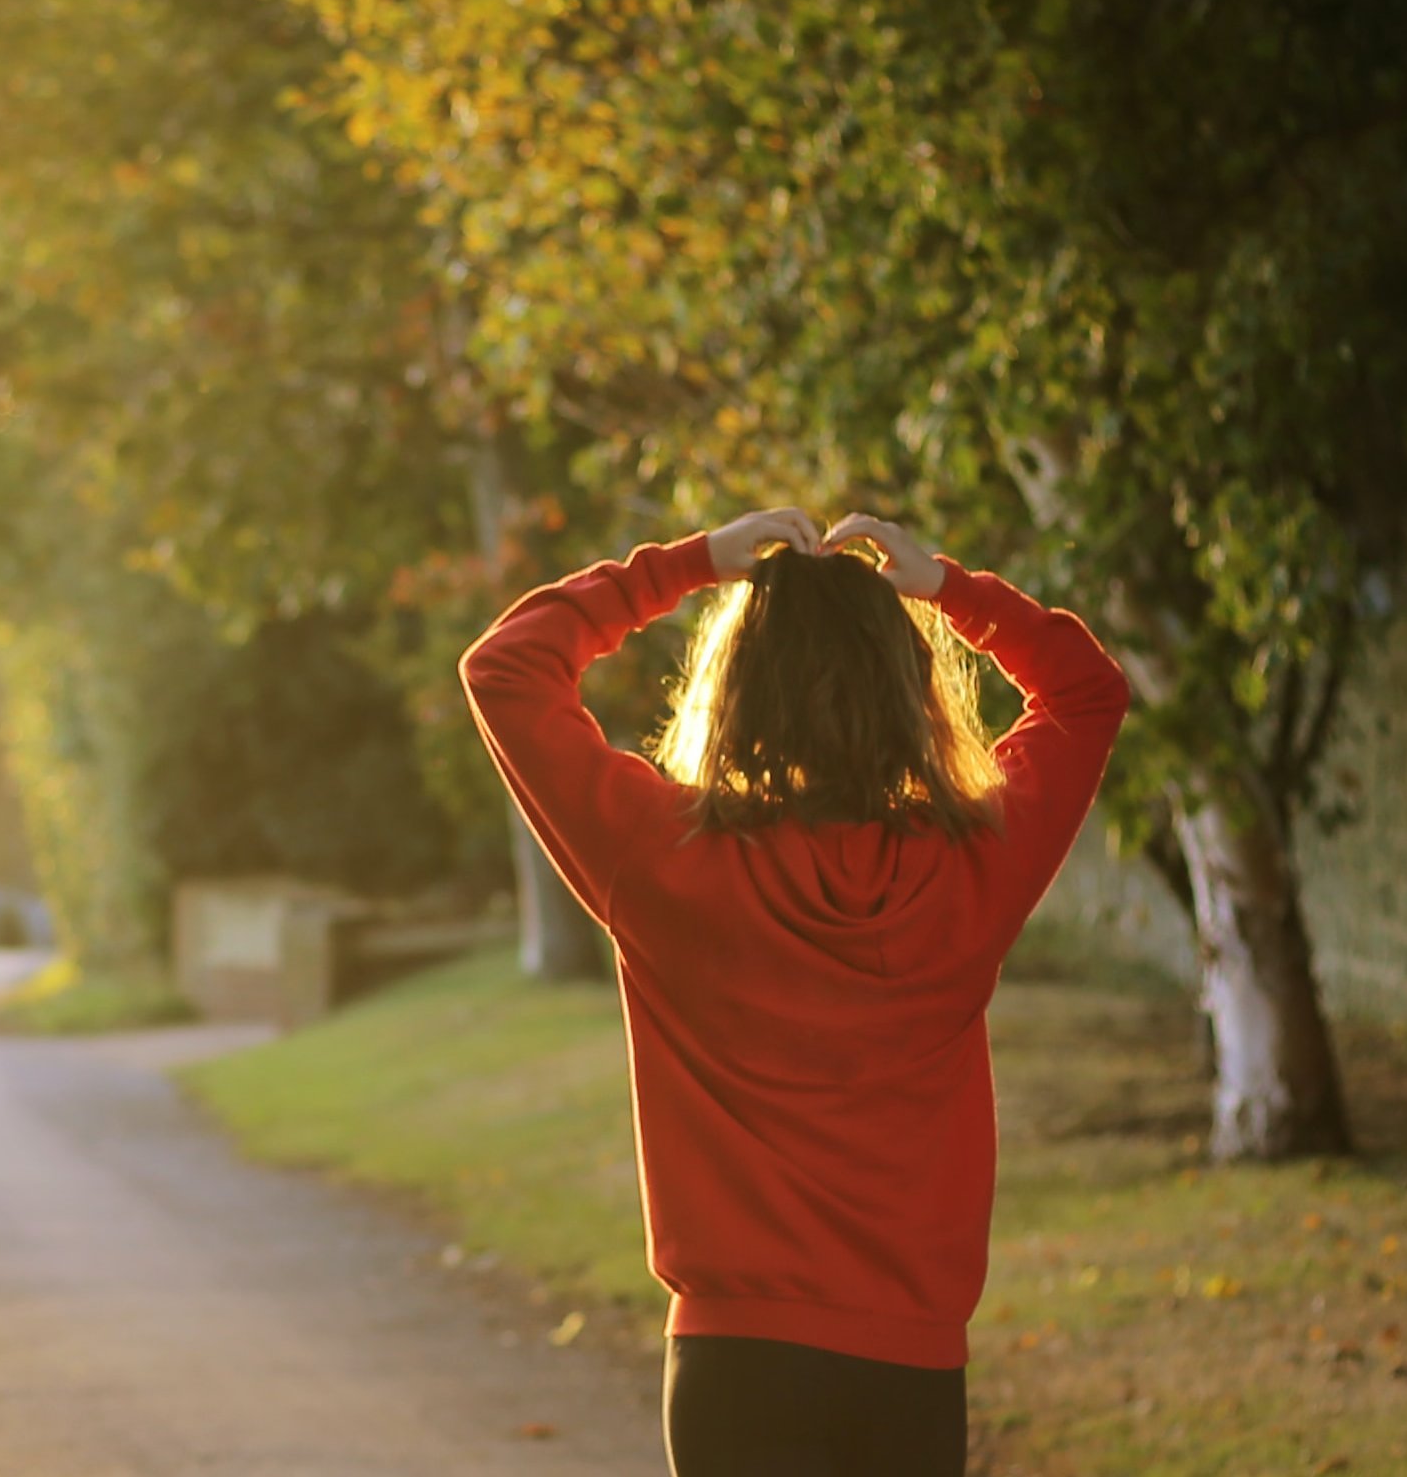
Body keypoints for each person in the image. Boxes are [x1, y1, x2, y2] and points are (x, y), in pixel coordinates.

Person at [461, 507, 1130, 1477]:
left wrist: (687, 566)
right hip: (910, 1367)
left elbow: (508, 668)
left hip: (735, 1364)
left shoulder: (664, 857)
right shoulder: (972, 865)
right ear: (909, 693)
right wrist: (946, 588)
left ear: (737, 691)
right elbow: (1086, 694)